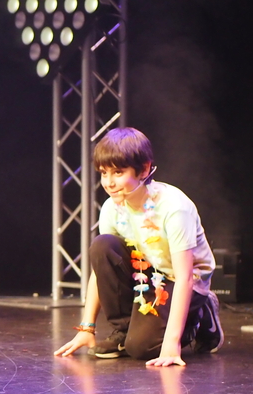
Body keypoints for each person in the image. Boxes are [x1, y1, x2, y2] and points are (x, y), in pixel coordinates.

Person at [54, 127, 224, 367]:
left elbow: (184, 277)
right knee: (102, 246)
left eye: (118, 172)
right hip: (149, 273)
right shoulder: (112, 208)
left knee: (144, 348)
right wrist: (87, 328)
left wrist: (172, 343)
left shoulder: (174, 207)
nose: (109, 183)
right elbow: (100, 269)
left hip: (185, 281)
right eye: (104, 173)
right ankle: (123, 333)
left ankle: (201, 314)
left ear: (144, 170)